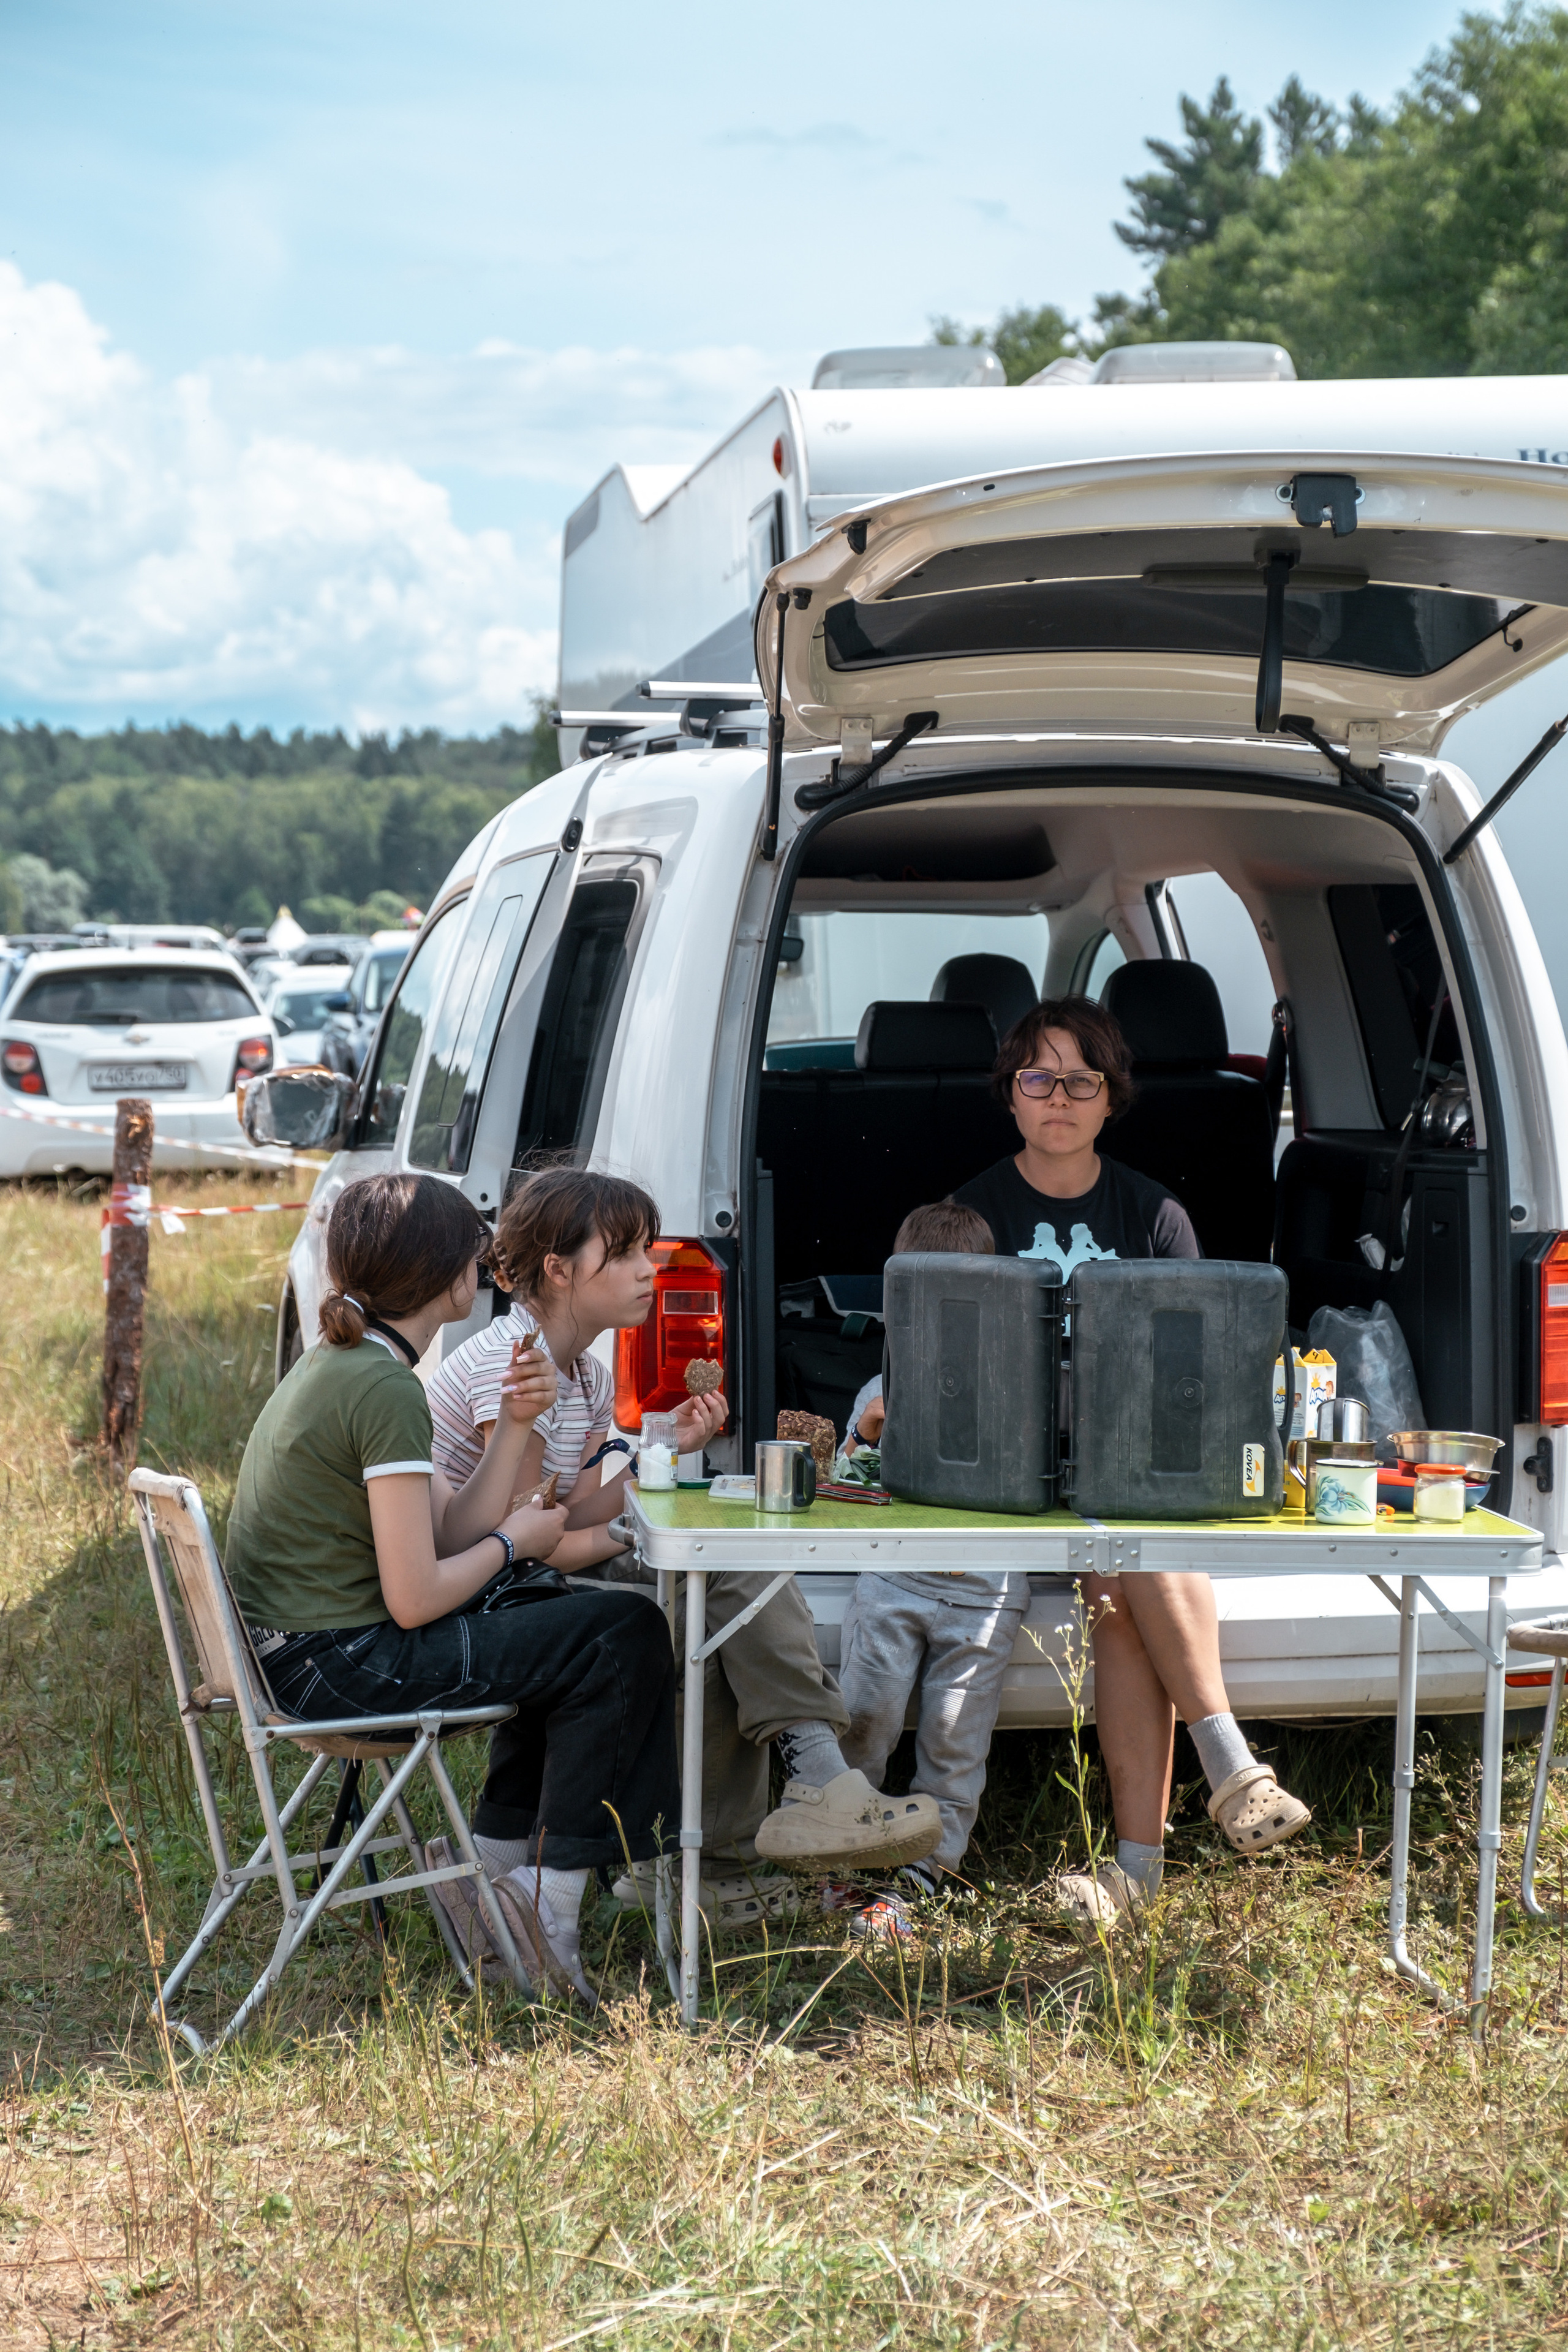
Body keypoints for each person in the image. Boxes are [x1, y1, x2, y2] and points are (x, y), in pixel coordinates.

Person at [424, 1167, 941, 1926]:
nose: (649, 1268)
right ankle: (810, 1785)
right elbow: (531, 1544)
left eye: (646, 1250)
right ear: (560, 1270)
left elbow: (577, 1506)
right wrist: (648, 1532)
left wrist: (667, 1442)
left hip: (527, 1575)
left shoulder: (585, 1375)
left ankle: (746, 1841)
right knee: (714, 1563)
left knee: (716, 1573)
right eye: (626, 1253)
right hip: (487, 1598)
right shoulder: (518, 1369)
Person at [224, 1172, 680, 2003]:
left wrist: (511, 1434)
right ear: (450, 1276)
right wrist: (515, 1543)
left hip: (305, 1654)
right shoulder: (383, 1389)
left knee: (565, 1619)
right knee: (626, 1635)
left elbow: (445, 1532)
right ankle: (549, 1914)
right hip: (342, 1667)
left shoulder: (354, 1364)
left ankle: (496, 1879)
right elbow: (416, 1597)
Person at [952, 995, 1310, 1932]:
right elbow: (951, 1382)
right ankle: (1228, 1763)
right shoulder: (972, 1214)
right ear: (1011, 1095)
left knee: (1118, 1571)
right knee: (1123, 1549)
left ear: (1112, 1098)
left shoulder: (1157, 1215)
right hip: (1009, 1491)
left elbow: (1190, 1390)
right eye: (1039, 1077)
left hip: (1130, 1489)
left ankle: (1138, 1876)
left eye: (1082, 1079)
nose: (1059, 1097)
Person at [824, 1199, 1030, 1943]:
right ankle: (843, 1853)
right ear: (895, 1307)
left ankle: (924, 1872)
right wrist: (869, 1431)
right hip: (893, 1580)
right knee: (863, 1717)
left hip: (985, 1594)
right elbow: (848, 1484)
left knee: (953, 1737)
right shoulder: (880, 1388)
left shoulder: (1020, 1386)